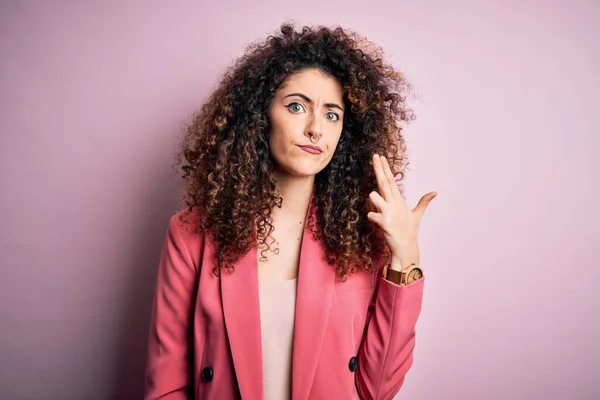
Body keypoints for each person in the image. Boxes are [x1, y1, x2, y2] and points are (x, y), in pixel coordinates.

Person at [144, 22, 437, 400]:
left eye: (332, 114)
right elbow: (166, 387)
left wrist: (406, 256)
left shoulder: (362, 238)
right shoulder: (190, 235)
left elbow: (376, 390)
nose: (316, 128)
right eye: (297, 106)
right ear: (259, 115)